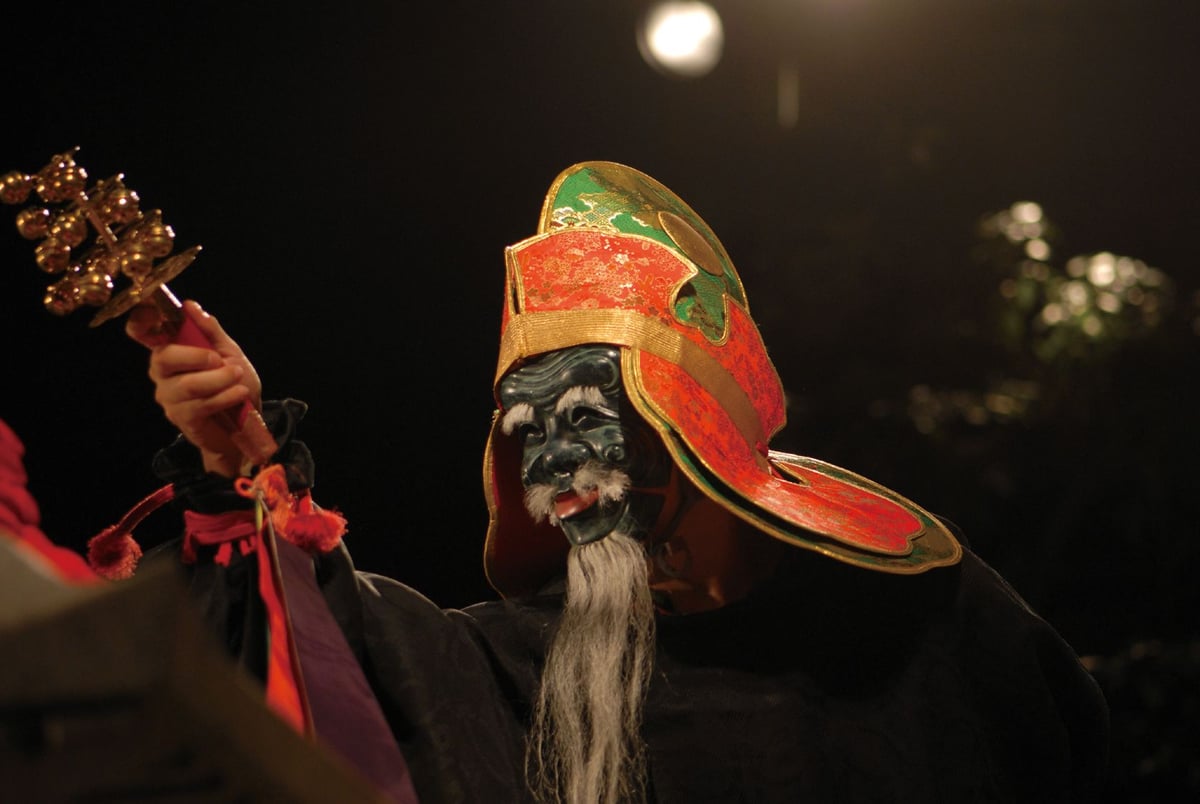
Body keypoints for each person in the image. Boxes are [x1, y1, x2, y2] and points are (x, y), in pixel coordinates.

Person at [125, 161, 1108, 803]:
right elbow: (322, 666)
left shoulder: (919, 633)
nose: (561, 471)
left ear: (695, 430)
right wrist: (242, 459)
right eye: (531, 431)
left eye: (594, 419)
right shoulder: (502, 668)